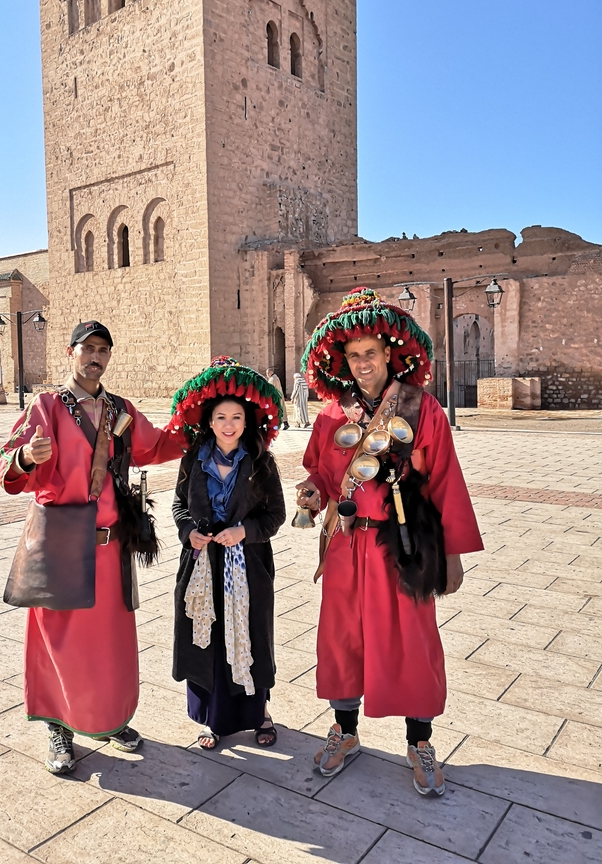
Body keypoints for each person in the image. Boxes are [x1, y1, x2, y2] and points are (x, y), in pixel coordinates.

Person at [296, 287, 483, 796]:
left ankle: (419, 739)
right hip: (345, 545)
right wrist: (313, 492)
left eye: (370, 354)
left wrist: (453, 556)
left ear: (390, 353)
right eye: (353, 356)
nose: (361, 364)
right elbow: (320, 472)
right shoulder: (333, 414)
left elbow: (446, 483)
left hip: (404, 546)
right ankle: (345, 731)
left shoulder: (423, 411)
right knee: (341, 639)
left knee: (413, 641)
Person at [0, 320, 181, 774]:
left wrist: (208, 415)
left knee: (110, 645)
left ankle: (109, 721)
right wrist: (24, 458)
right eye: (87, 348)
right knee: (59, 641)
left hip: (111, 547)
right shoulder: (48, 406)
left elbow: (157, 446)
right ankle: (59, 728)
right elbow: (5, 464)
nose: (95, 356)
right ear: (70, 352)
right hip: (61, 544)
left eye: (103, 350)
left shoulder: (121, 409)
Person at [168, 357, 286, 750]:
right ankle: (211, 718)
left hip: (247, 564)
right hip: (202, 563)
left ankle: (260, 712)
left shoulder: (260, 463)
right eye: (222, 417)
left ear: (246, 422)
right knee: (209, 639)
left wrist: (243, 531)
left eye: (237, 416)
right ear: (210, 421)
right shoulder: (193, 460)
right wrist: (189, 532)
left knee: (250, 636)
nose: (230, 424)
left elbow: (275, 515)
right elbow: (179, 506)